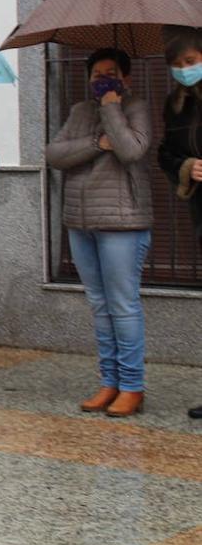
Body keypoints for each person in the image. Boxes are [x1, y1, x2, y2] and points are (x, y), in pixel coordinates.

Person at [46, 49, 153, 418]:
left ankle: (132, 387)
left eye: (110, 73)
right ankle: (109, 381)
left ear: (126, 78)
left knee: (123, 305)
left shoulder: (136, 106)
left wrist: (111, 107)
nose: (102, 78)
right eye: (96, 74)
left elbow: (131, 149)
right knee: (100, 305)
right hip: (80, 221)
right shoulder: (79, 111)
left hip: (123, 222)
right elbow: (54, 154)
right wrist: (95, 144)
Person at [158, 27, 202, 421]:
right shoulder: (176, 104)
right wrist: (188, 166)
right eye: (177, 66)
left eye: (190, 63)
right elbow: (166, 153)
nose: (185, 71)